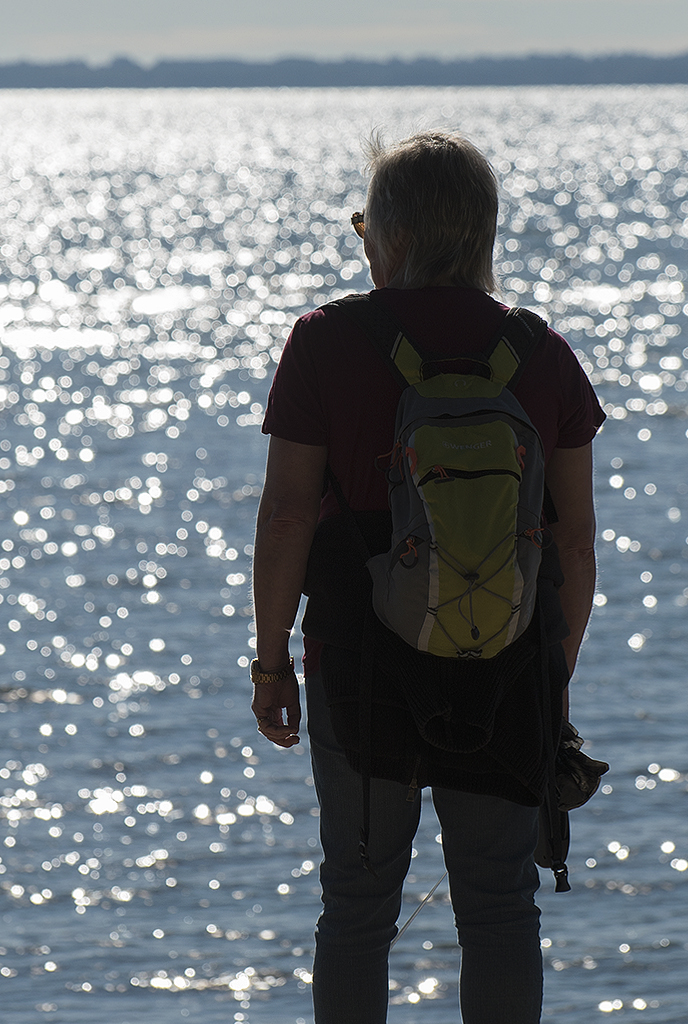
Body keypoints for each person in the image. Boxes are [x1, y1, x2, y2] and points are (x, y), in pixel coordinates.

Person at [251, 131, 604, 1024]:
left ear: (392, 237)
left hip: (360, 667)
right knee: (498, 910)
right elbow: (575, 543)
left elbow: (289, 515)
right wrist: (552, 677)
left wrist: (269, 662)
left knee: (359, 911)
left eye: (366, 224)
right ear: (482, 236)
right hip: (506, 664)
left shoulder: (325, 342)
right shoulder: (542, 353)